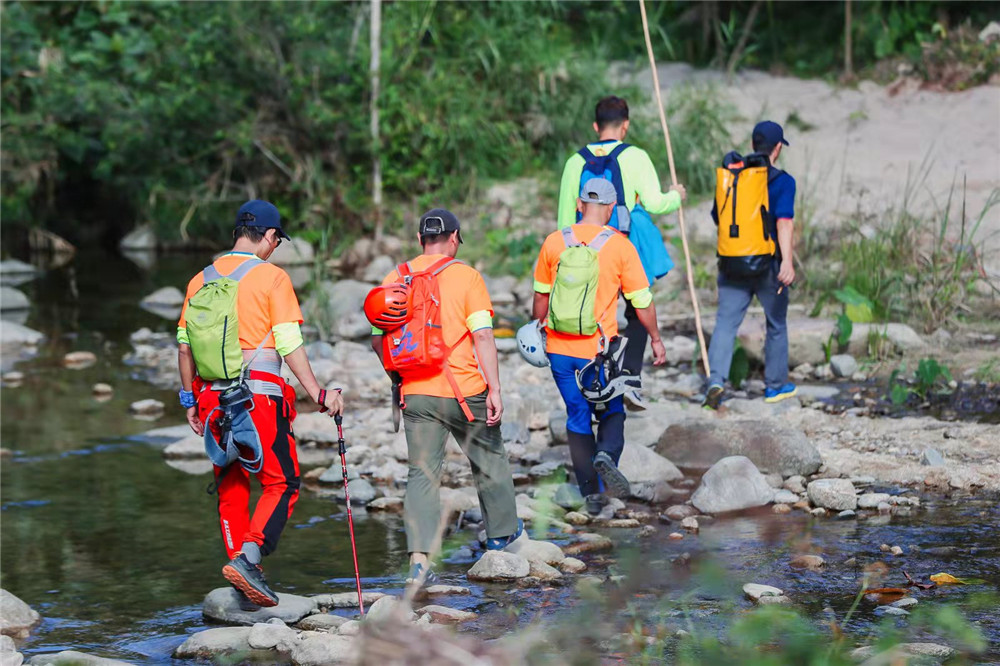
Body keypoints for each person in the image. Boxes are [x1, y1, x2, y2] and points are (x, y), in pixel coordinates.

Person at [177, 200, 343, 608]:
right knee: (281, 482)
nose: (274, 248)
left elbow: (184, 348)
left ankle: (239, 569)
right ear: (269, 236)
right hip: (258, 401)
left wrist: (189, 401)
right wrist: (319, 394)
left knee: (232, 486)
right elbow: (288, 344)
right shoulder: (272, 277)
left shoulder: (200, 280)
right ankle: (250, 560)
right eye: (276, 241)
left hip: (213, 400)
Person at [369, 209, 521, 585]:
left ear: (421, 239)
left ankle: (419, 562)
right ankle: (501, 541)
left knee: (421, 475)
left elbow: (377, 338)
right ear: (453, 238)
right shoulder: (466, 276)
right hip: (464, 389)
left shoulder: (396, 277)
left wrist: (397, 375)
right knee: (489, 459)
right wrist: (495, 388)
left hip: (416, 392)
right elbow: (484, 336)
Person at [535, 179, 667, 516]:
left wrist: (540, 332)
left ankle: (590, 494)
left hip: (560, 351)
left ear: (580, 204)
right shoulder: (620, 246)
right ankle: (606, 454)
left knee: (577, 415)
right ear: (610, 209)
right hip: (598, 351)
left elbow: (540, 298)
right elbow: (642, 301)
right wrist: (654, 338)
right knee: (612, 411)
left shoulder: (554, 242)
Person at [557, 95, 686, 410]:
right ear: (625, 125)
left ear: (595, 126)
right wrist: (676, 196)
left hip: (585, 246)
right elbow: (655, 203)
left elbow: (564, 218)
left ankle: (597, 378)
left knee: (595, 313)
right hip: (626, 243)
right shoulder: (636, 156)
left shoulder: (575, 161)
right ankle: (629, 376)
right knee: (637, 309)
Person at [703, 121, 797, 409]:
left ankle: (716, 380)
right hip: (768, 266)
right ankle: (775, 387)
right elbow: (784, 224)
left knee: (725, 324)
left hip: (733, 263)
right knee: (776, 324)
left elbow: (718, 216)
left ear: (754, 145)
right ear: (778, 148)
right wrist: (788, 262)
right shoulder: (783, 181)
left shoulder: (734, 177)